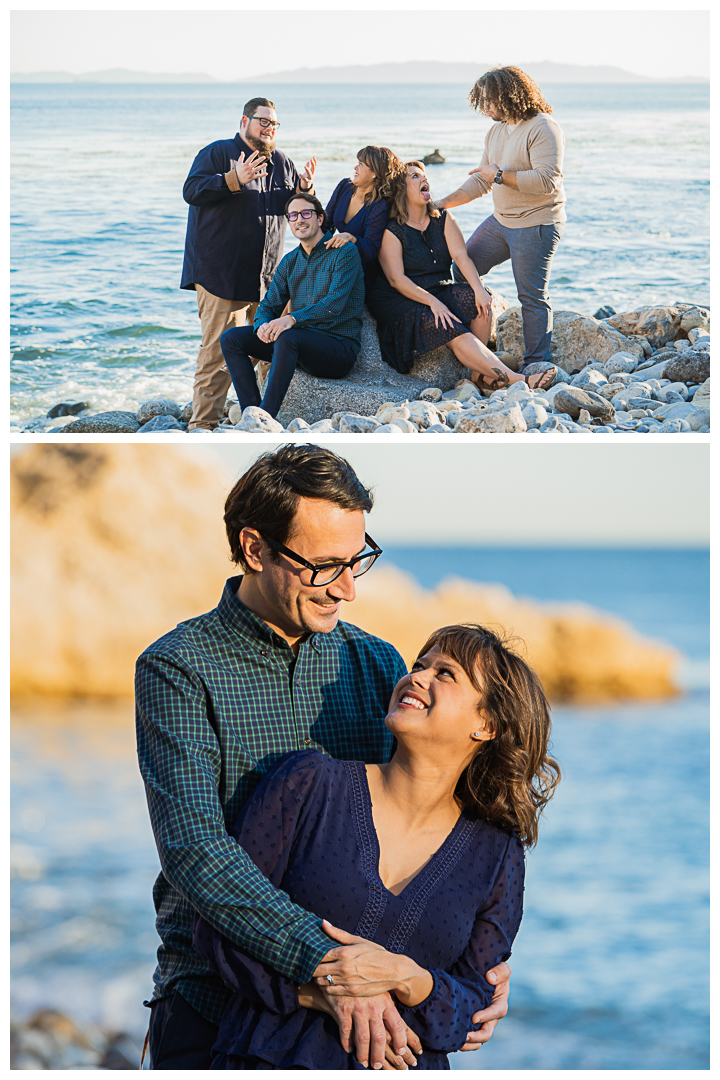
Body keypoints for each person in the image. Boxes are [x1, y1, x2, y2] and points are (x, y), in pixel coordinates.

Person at [135, 445, 511, 1069]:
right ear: (255, 549)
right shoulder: (178, 669)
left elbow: (424, 821)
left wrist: (472, 973)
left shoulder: (377, 665)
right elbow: (195, 851)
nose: (346, 589)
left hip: (368, 1028)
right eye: (325, 566)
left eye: (358, 560)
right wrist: (328, 967)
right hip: (213, 1004)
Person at [194, 623, 560, 1069]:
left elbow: (471, 1011)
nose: (417, 677)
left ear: (486, 724)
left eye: (445, 673)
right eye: (418, 665)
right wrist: (320, 996)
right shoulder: (307, 785)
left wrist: (408, 976)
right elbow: (218, 930)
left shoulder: (497, 855)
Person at [181, 96, 317, 431]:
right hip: (220, 276)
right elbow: (191, 190)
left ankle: (262, 421)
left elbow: (290, 210)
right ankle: (204, 426)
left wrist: (304, 188)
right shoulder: (217, 153)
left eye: (274, 124)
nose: (269, 129)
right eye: (263, 121)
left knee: (268, 351)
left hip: (268, 279)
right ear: (245, 122)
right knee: (218, 357)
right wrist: (233, 178)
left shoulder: (283, 163)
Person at [366, 161, 557, 390]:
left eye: (424, 176)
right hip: (404, 302)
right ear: (401, 188)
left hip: (438, 288)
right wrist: (434, 303)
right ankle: (519, 380)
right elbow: (397, 280)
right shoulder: (392, 230)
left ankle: (479, 374)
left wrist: (479, 290)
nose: (424, 179)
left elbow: (461, 256)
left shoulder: (441, 217)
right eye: (415, 176)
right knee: (451, 326)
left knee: (479, 302)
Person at [436, 67, 566, 372]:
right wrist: (442, 203)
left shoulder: (543, 127)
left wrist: (498, 175)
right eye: (480, 100)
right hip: (501, 221)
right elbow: (482, 182)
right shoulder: (496, 131)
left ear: (509, 95)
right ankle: (481, 339)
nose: (484, 107)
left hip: (536, 224)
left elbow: (547, 181)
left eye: (488, 100)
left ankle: (537, 365)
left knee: (531, 295)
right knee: (463, 266)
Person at [219, 194, 364, 419]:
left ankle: (267, 415)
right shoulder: (290, 261)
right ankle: (252, 414)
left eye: (306, 213)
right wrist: (262, 326)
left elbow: (334, 304)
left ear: (320, 218)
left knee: (288, 337)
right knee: (232, 338)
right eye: (293, 216)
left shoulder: (344, 253)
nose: (300, 220)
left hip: (337, 348)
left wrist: (292, 319)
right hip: (297, 345)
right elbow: (269, 304)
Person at [323, 146, 404, 292]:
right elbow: (325, 225)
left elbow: (370, 250)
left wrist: (351, 238)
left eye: (361, 164)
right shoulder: (344, 187)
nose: (355, 167)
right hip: (335, 262)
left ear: (374, 172)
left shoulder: (379, 206)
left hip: (360, 271)